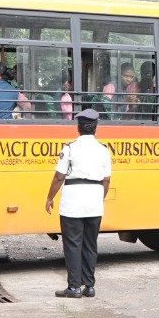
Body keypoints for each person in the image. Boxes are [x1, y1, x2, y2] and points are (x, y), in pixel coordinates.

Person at [43, 108, 112, 298]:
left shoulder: (70, 148)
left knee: (73, 244)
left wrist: (50, 197)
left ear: (78, 128)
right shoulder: (104, 150)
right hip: (94, 202)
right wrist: (99, 198)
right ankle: (89, 286)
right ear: (96, 128)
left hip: (73, 203)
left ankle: (74, 287)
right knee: (90, 244)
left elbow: (59, 177)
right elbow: (106, 180)